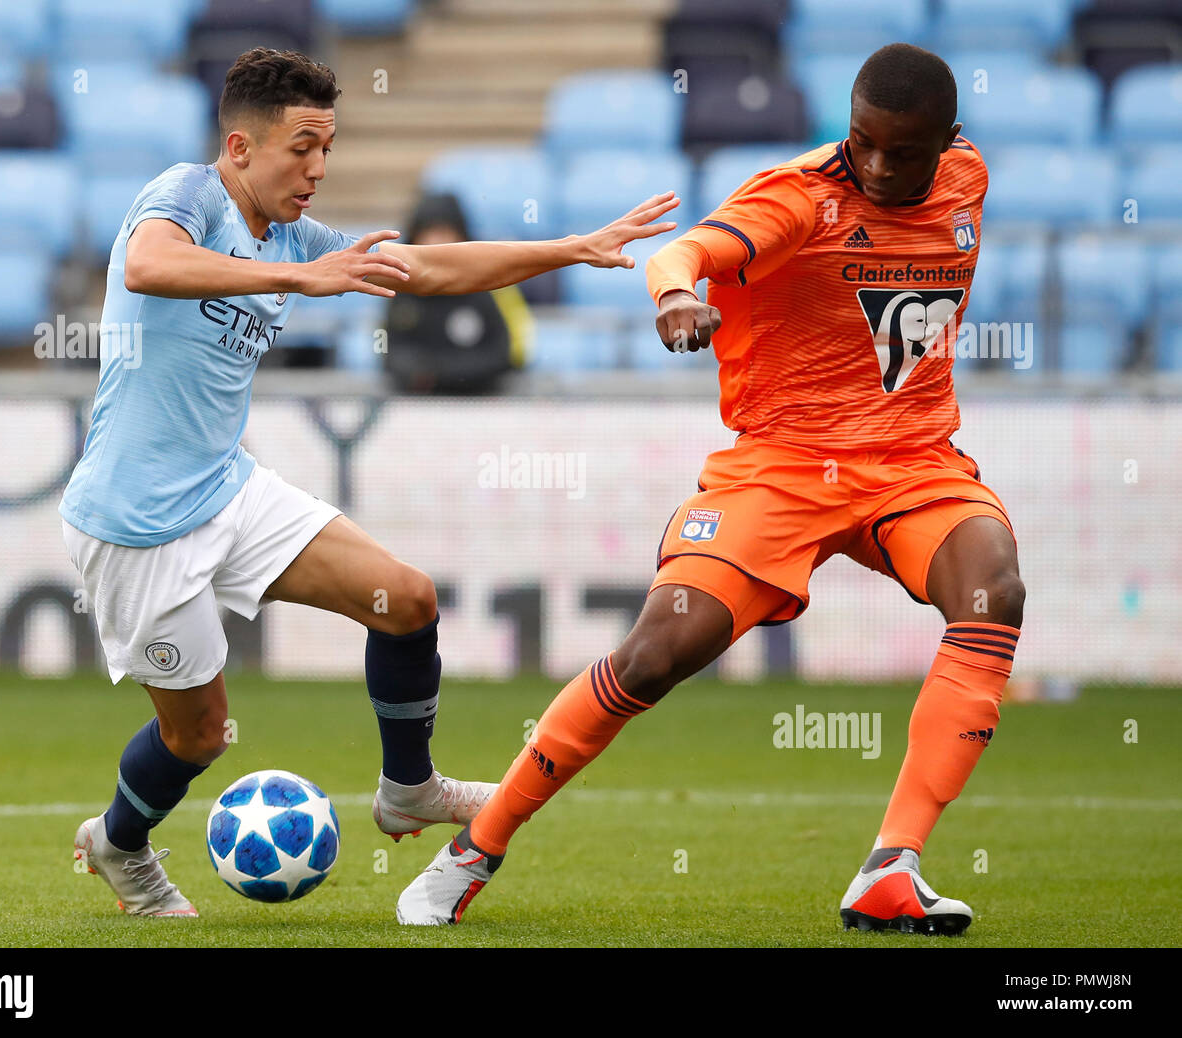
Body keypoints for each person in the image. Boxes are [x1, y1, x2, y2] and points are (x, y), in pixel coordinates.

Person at [397, 43, 1023, 937]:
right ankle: (474, 849)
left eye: (903, 152)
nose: (879, 166)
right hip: (781, 464)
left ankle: (892, 867)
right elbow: (687, 250)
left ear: (946, 142)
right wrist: (676, 293)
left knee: (994, 588)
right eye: (863, 143)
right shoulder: (798, 195)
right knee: (658, 652)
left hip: (913, 464)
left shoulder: (969, 177)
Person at [64, 46, 678, 917]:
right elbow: (147, 267)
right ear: (240, 148)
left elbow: (426, 268)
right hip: (133, 524)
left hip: (224, 488)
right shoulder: (188, 194)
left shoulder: (291, 235)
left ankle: (408, 788)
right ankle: (119, 845)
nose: (317, 168)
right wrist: (298, 275)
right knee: (196, 737)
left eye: (328, 147)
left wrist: (572, 249)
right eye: (301, 147)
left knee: (406, 598)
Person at [383, 192, 532, 393]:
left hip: (484, 404)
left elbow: (510, 353)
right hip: (419, 408)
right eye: (429, 233)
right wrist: (418, 373)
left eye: (445, 232)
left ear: (462, 236)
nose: (436, 242)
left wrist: (443, 373)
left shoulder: (493, 281)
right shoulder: (400, 286)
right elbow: (389, 350)